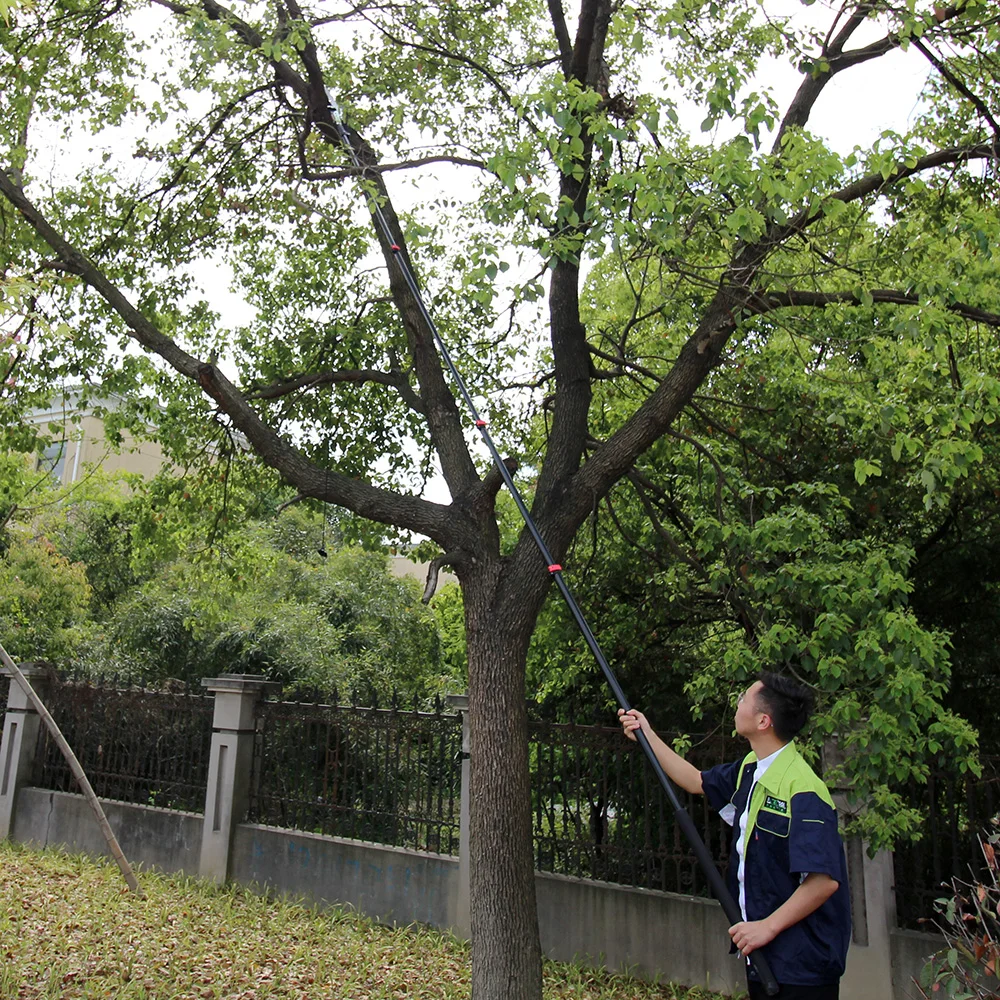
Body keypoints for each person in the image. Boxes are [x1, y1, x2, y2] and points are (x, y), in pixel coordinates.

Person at [619, 671, 851, 999]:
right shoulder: (750, 769)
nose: (737, 702)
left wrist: (765, 927)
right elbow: (696, 781)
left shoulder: (803, 789)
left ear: (763, 721)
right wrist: (647, 734)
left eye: (744, 698)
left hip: (804, 964)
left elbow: (823, 881)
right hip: (764, 954)